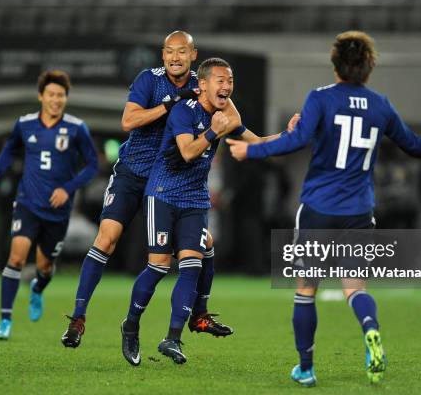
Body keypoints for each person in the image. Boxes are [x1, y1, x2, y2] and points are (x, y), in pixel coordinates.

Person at [227, 31, 421, 386]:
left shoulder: (320, 98)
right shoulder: (381, 104)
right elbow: (414, 146)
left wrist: (249, 151)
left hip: (318, 208)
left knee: (306, 288)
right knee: (355, 288)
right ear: (368, 67)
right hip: (359, 211)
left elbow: (297, 140)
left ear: (335, 64)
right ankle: (371, 331)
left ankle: (306, 368)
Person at [61, 31, 241, 350]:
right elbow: (129, 121)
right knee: (107, 238)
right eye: (169, 51)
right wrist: (167, 105)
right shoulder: (150, 80)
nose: (175, 57)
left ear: (193, 56)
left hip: (170, 181)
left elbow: (234, 120)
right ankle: (78, 318)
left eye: (181, 52)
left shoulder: (204, 88)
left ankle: (198, 314)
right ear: (162, 55)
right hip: (134, 173)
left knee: (203, 246)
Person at [123, 57, 293, 365]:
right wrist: (214, 132)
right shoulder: (183, 111)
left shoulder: (226, 113)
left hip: (195, 200)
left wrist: (290, 135)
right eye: (220, 80)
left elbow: (257, 144)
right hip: (162, 195)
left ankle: (173, 338)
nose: (227, 86)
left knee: (192, 262)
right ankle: (131, 324)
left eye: (230, 81)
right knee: (159, 266)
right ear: (202, 85)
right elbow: (187, 151)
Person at [0, 70, 98, 340]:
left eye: (60, 95)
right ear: (41, 96)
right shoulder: (24, 124)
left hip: (58, 210)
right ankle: (5, 320)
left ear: (66, 98)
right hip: (27, 203)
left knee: (45, 267)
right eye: (51, 94)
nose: (56, 100)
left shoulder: (76, 127)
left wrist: (67, 189)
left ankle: (37, 288)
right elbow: (10, 149)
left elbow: (93, 165)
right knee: (16, 257)